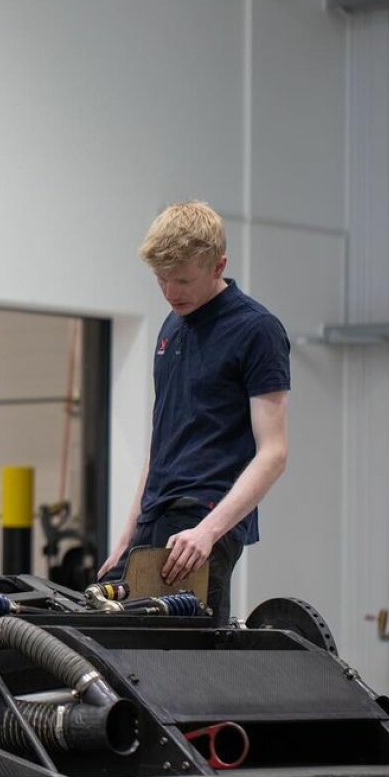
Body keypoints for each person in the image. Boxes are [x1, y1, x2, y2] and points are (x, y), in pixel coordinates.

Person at [98, 200, 289, 628]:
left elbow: (273, 454)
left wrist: (208, 532)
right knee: (113, 635)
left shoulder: (256, 330)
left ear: (218, 265)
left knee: (185, 657)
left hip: (202, 519)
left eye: (182, 280)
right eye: (161, 279)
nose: (170, 292)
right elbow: (162, 439)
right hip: (157, 516)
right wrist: (130, 531)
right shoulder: (171, 327)